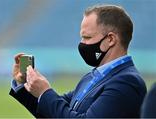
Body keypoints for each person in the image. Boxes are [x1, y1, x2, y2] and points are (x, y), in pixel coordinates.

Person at [9, 4, 147, 118]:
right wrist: (25, 83)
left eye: (87, 37)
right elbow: (54, 112)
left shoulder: (127, 82)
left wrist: (45, 92)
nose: (82, 44)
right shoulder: (93, 76)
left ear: (110, 39)